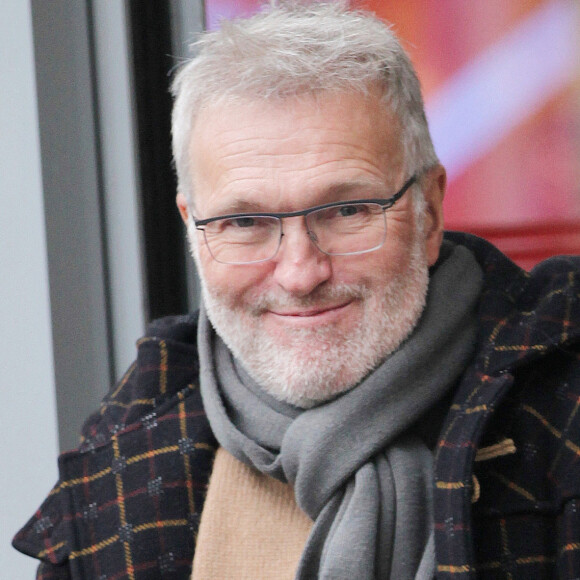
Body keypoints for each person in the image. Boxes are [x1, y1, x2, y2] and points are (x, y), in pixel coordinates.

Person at [13, 2, 580, 579]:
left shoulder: (564, 415)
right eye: (244, 222)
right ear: (192, 228)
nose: (300, 274)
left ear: (428, 212)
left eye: (347, 210)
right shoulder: (120, 470)